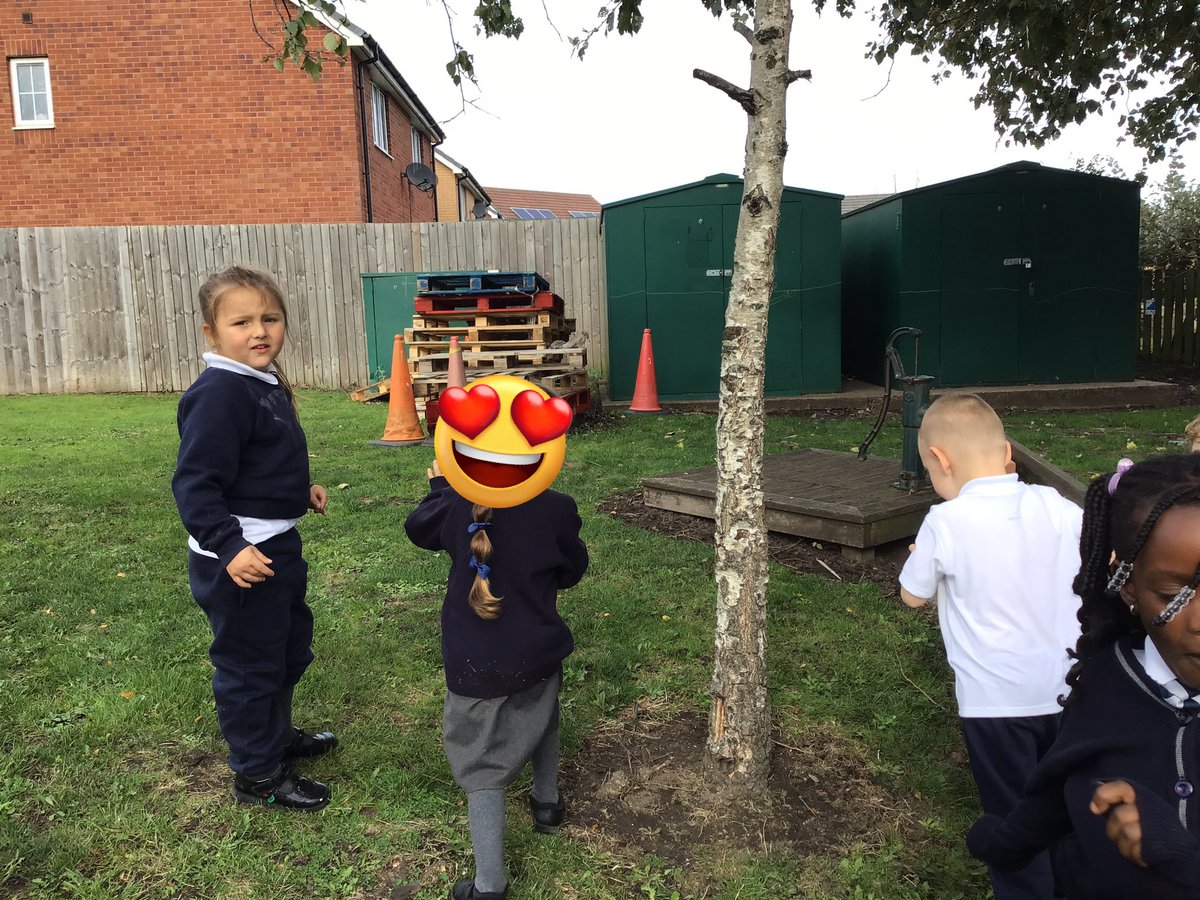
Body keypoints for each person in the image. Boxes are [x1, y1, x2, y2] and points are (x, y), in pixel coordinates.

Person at [967, 453, 1200, 898]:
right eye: (1174, 592)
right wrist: (1007, 842)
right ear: (1128, 586)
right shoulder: (1105, 680)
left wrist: (1183, 859)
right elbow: (1063, 777)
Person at [898, 393, 1083, 900]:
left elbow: (913, 595)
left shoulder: (945, 521)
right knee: (1071, 800)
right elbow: (1100, 555)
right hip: (1072, 691)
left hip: (996, 704)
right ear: (1006, 454)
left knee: (1015, 812)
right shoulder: (1055, 504)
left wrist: (922, 557)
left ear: (941, 460)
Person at [172, 265, 337, 812]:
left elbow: (258, 461)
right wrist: (229, 547)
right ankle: (257, 773)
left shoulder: (257, 381)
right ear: (211, 332)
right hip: (242, 557)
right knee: (249, 665)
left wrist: (297, 492)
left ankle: (276, 735)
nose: (259, 330)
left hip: (276, 546)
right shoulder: (220, 392)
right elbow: (196, 483)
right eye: (241, 321)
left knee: (287, 647)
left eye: (270, 318)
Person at [404, 459, 588, 900]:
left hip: (474, 661)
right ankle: (547, 803)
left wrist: (442, 488)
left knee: (480, 762)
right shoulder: (556, 507)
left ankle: (489, 886)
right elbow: (572, 571)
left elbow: (418, 528)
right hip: (537, 650)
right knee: (542, 715)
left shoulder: (454, 505)